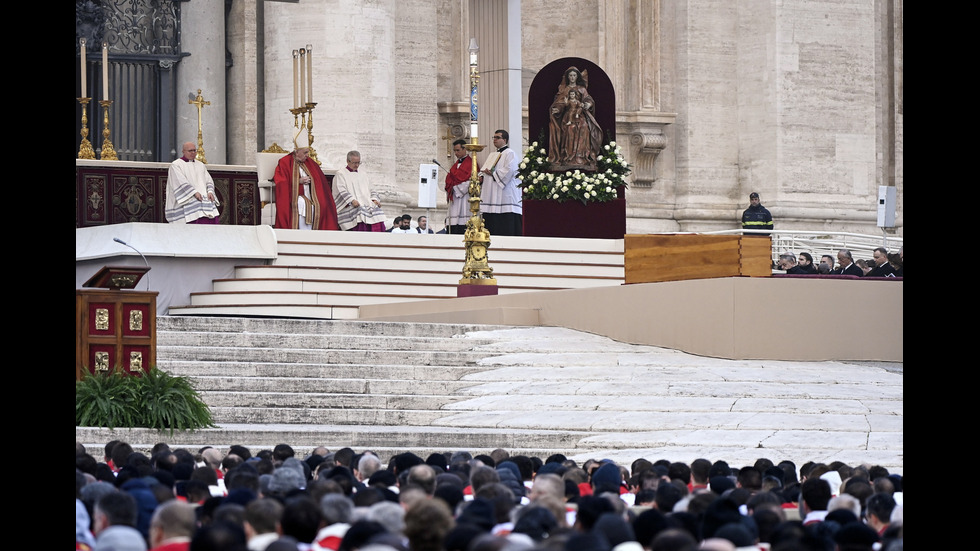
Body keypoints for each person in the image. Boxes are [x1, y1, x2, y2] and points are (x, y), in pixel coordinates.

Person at [273, 138, 340, 231]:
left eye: (307, 152)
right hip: (293, 195)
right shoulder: (284, 162)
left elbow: (319, 180)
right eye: (305, 153)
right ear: (297, 152)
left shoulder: (310, 162)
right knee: (302, 203)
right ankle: (301, 233)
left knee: (322, 204)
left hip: (311, 195)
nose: (307, 155)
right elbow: (280, 182)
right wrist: (297, 181)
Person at [547, 67, 602, 170]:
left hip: (580, 115)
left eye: (574, 75)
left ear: (577, 77)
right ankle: (568, 157)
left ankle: (581, 157)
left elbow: (588, 99)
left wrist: (588, 104)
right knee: (570, 128)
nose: (572, 77)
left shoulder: (582, 89)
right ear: (568, 77)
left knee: (584, 126)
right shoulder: (564, 90)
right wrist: (558, 109)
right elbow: (561, 103)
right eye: (570, 75)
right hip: (568, 116)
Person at [479, 130, 523, 236]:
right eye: (493, 137)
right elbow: (485, 169)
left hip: (505, 194)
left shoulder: (510, 153)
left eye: (497, 137)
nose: (494, 139)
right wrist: (482, 177)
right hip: (492, 193)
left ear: (505, 140)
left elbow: (510, 170)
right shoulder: (493, 155)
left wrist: (494, 173)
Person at [165, 142, 220, 224]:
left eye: (194, 150)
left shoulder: (200, 165)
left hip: (202, 197)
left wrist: (210, 192)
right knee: (195, 207)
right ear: (183, 151)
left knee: (208, 209)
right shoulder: (176, 165)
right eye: (190, 151)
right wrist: (194, 192)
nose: (193, 153)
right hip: (187, 197)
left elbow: (209, 180)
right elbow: (179, 181)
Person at [332, 150, 387, 232]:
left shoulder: (363, 174)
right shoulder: (341, 174)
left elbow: (372, 189)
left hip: (366, 204)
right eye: (354, 163)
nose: (357, 165)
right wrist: (351, 200)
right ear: (348, 161)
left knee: (377, 218)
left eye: (358, 162)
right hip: (352, 205)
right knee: (359, 214)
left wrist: (374, 199)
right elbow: (340, 190)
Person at [445, 139, 474, 235]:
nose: (456, 153)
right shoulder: (455, 165)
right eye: (454, 151)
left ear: (464, 149)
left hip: (464, 197)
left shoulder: (471, 163)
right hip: (455, 197)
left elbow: (472, 180)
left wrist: (457, 189)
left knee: (463, 222)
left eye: (458, 150)